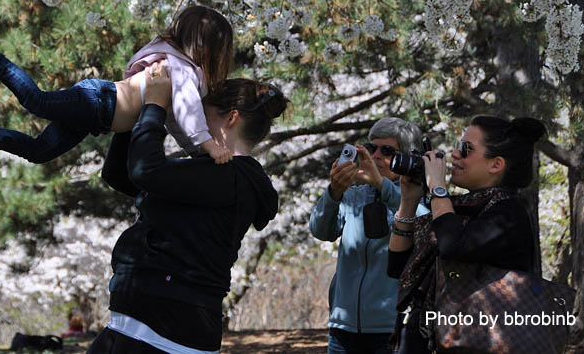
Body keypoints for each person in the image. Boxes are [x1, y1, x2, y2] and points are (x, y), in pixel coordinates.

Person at [88, 65, 288, 354]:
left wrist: (156, 106)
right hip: (138, 326)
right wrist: (139, 104)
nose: (187, 120)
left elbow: (146, 172)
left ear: (231, 118)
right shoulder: (213, 175)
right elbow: (122, 175)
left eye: (198, 113)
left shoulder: (232, 178)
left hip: (164, 334)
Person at [0, 6, 235, 167]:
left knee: (40, 152)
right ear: (212, 50)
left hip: (96, 113)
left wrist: (197, 151)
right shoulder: (181, 70)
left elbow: (177, 119)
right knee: (37, 102)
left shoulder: (176, 68)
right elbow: (189, 111)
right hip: (98, 101)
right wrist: (208, 144)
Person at [387, 115, 547, 354]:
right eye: (457, 147)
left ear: (496, 164)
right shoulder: (456, 208)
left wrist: (438, 188)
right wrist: (409, 200)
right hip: (425, 339)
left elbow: (453, 245)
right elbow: (398, 267)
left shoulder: (509, 214)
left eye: (466, 149)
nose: (454, 155)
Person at [309, 117, 428, 354]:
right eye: (372, 148)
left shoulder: (418, 198)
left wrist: (384, 187)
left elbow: (426, 224)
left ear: (406, 156)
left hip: (392, 326)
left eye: (386, 151)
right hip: (343, 325)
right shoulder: (354, 195)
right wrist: (334, 192)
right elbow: (320, 230)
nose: (375, 157)